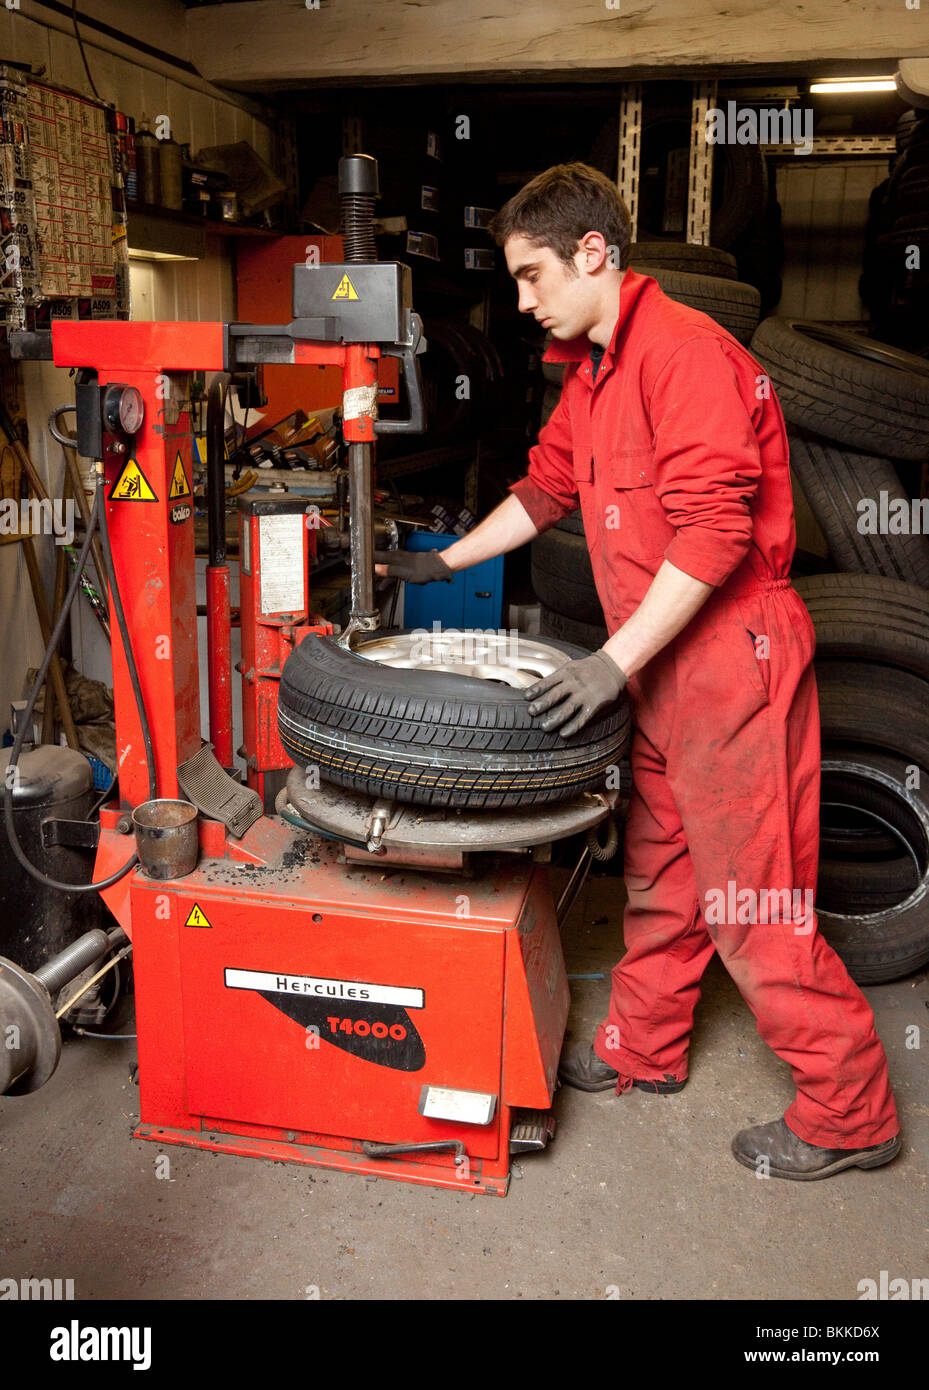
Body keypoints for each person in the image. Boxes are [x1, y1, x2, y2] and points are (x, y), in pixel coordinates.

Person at [375, 162, 901, 1181]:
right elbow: (541, 493)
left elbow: (713, 532)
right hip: (660, 666)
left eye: (531, 277)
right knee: (658, 866)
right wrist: (441, 559)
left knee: (753, 902)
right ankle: (643, 1047)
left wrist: (611, 665)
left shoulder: (685, 356)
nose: (521, 301)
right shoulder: (596, 372)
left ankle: (850, 1110)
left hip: (726, 662)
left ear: (592, 254)